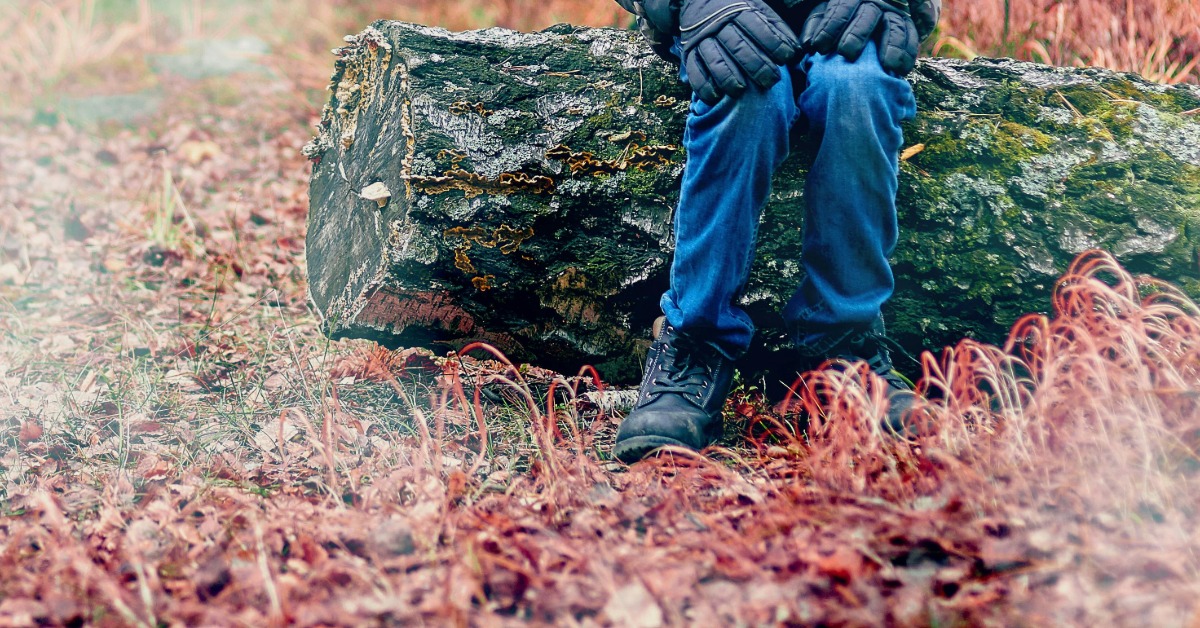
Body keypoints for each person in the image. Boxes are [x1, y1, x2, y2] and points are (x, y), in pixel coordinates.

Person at [611, 0, 940, 463]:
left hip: (849, 11)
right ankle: (694, 345)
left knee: (858, 87)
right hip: (721, 9)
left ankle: (846, 347)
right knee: (743, 89)